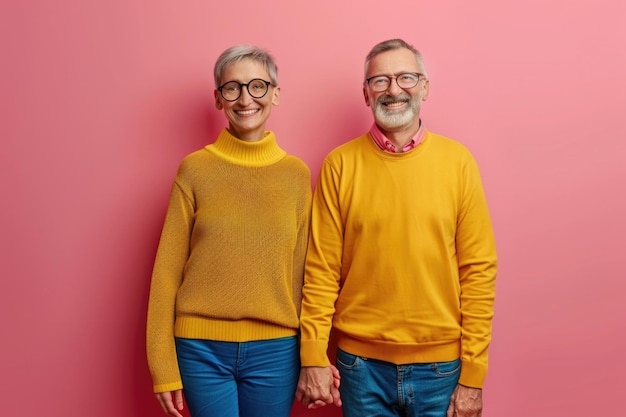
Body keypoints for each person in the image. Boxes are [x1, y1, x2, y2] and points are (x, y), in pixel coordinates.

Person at [295, 39, 498, 417]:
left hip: (441, 370)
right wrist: (312, 355)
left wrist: (474, 375)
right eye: (380, 80)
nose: (393, 90)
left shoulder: (458, 163)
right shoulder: (339, 165)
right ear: (365, 93)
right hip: (359, 368)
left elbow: (478, 271)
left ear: (424, 87)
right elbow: (321, 270)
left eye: (406, 77)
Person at [146, 44, 312, 417]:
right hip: (200, 348)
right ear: (219, 99)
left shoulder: (296, 176)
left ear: (275, 93)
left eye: (257, 85)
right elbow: (166, 273)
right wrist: (163, 367)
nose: (245, 98)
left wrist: (312, 355)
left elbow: (302, 274)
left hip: (277, 350)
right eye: (232, 88)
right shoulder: (194, 170)